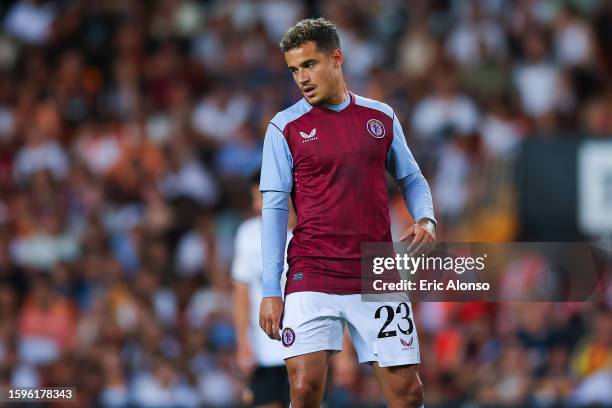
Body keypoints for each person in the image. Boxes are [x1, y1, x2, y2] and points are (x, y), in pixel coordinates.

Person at [258, 18, 436, 408]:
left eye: (309, 65)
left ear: (336, 58)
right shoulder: (283, 128)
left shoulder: (380, 118)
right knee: (304, 389)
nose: (301, 78)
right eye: (294, 70)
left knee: (409, 393)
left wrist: (426, 218)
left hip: (376, 270)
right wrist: (271, 290)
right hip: (312, 272)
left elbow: (412, 178)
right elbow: (272, 213)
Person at [232, 173, 293, 407]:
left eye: (261, 198)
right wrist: (243, 343)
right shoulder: (248, 234)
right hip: (263, 348)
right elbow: (240, 293)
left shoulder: (308, 233)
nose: (256, 205)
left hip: (305, 347)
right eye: (253, 199)